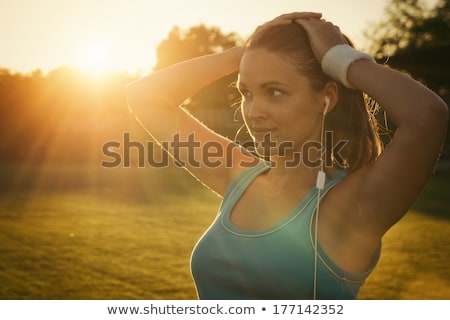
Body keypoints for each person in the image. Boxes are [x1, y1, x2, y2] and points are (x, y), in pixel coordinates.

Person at [125, 12, 448, 299]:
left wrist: (339, 57)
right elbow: (144, 96)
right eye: (246, 93)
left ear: (327, 98)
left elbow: (426, 116)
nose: (254, 112)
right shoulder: (239, 177)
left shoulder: (353, 205)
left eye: (275, 92)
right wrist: (250, 52)